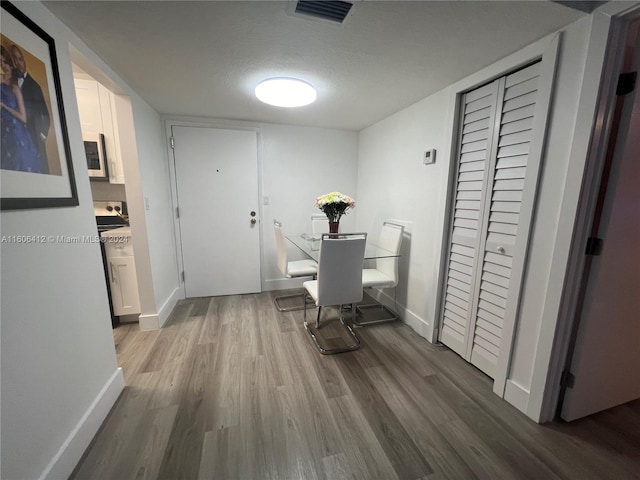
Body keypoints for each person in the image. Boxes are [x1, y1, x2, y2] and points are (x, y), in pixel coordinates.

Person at [1, 44, 43, 173]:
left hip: (18, 135)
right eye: (0, 63)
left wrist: (4, 106)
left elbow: (23, 118)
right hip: (4, 132)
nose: (3, 66)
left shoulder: (15, 88)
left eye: (5, 62)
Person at [11, 44, 50, 173]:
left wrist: (42, 135)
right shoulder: (10, 82)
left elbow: (45, 113)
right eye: (14, 60)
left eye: (20, 59)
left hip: (33, 136)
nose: (18, 63)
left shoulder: (35, 86)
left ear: (24, 60)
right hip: (16, 135)